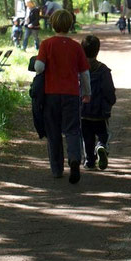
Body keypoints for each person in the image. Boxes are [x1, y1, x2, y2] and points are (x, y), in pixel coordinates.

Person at [34, 9, 91, 183]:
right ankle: (74, 159)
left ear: (52, 24)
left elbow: (39, 67)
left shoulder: (46, 44)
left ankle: (57, 169)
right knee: (73, 130)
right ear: (70, 25)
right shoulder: (76, 47)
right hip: (71, 94)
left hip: (50, 95)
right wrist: (87, 93)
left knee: (53, 132)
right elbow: (85, 73)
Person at [80, 35, 116, 170]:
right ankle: (101, 146)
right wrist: (111, 102)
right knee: (103, 134)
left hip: (83, 110)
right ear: (97, 50)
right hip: (100, 111)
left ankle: (89, 161)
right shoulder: (103, 70)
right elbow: (109, 90)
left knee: (87, 137)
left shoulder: (79, 69)